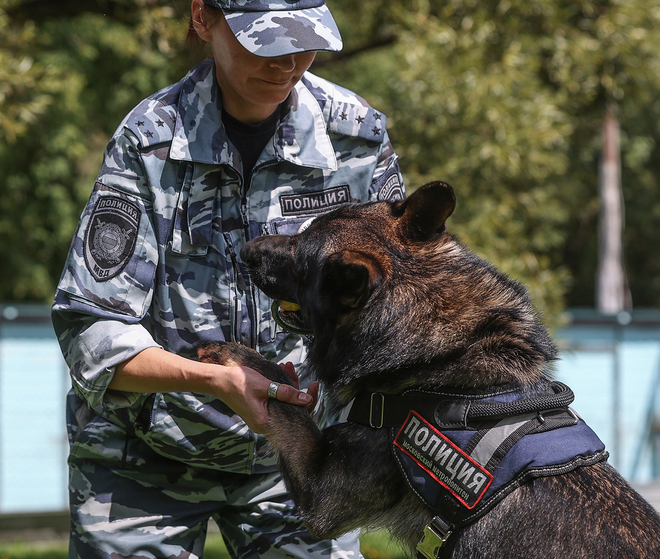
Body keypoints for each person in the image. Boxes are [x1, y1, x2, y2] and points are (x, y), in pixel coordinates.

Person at [52, 0, 406, 557]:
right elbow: (92, 328)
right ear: (203, 19)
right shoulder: (151, 141)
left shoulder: (354, 137)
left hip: (300, 456)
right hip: (145, 460)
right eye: (265, 43)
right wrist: (213, 380)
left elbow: (399, 301)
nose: (288, 65)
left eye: (304, 42)